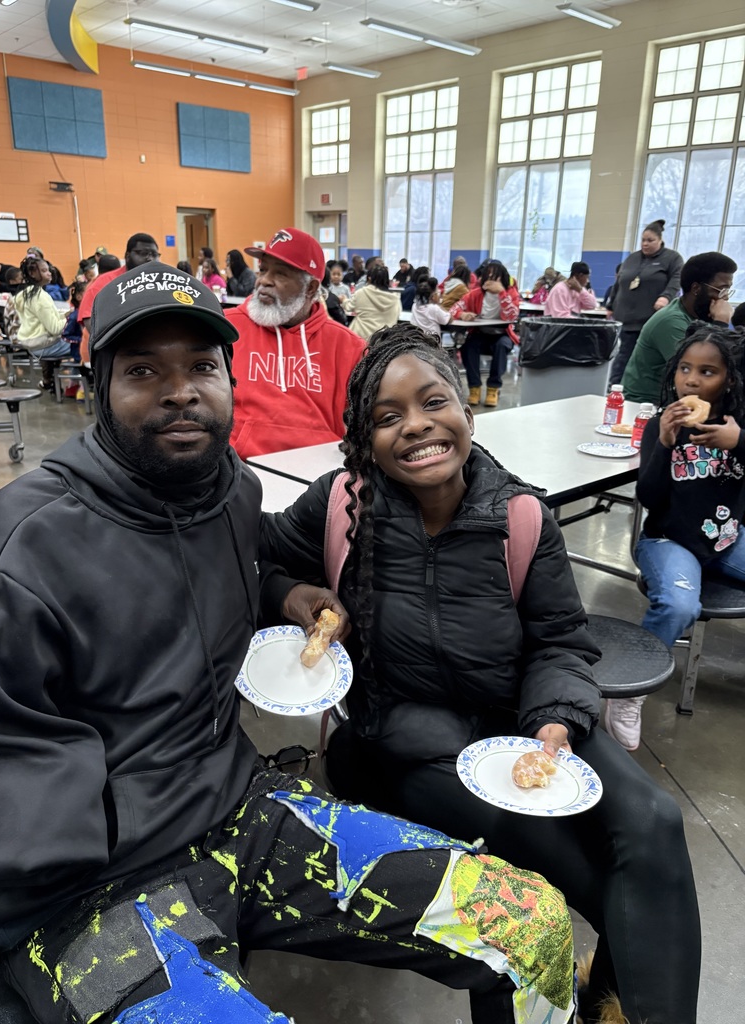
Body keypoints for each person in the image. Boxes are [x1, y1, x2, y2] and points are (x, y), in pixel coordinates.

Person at [0, 267, 576, 1024]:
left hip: (235, 806)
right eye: (142, 371)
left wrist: (285, 593)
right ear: (99, 389)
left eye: (201, 367)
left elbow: (216, 575)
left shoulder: (229, 488)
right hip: (83, 890)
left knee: (528, 922)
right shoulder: (22, 547)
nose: (180, 391)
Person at [260, 325, 702, 1024]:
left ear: (466, 408)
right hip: (413, 743)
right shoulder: (343, 504)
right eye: (386, 417)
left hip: (523, 718)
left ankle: (624, 1009)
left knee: (652, 822)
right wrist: (293, 595)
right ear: (363, 438)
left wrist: (555, 722)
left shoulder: (521, 515)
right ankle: (612, 999)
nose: (416, 428)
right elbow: (258, 557)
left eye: (433, 403)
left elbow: (560, 640)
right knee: (581, 873)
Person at [605, 326, 745, 751]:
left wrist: (738, 442)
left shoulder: (738, 426)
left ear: (730, 379)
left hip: (726, 537)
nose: (692, 380)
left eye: (707, 371)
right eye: (685, 369)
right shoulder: (662, 424)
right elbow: (648, 497)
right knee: (680, 604)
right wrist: (664, 444)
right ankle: (629, 695)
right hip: (669, 540)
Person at [224, 227, 365, 459]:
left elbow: (362, 427)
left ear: (310, 288)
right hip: (239, 471)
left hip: (318, 476)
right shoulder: (226, 329)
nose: (264, 281)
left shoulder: (350, 347)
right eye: (263, 270)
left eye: (280, 274)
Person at [622, 252, 737, 405]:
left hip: (672, 401)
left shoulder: (695, 316)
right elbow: (709, 364)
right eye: (721, 290)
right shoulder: (671, 321)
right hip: (644, 406)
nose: (725, 298)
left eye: (727, 291)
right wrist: (721, 322)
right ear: (696, 288)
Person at [606, 220, 684, 385]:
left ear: (660, 240)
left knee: (646, 359)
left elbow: (677, 279)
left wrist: (666, 296)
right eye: (643, 240)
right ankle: (614, 389)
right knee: (623, 356)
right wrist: (610, 306)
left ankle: (639, 389)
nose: (645, 244)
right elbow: (619, 282)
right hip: (627, 319)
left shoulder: (672, 258)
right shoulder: (632, 258)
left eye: (650, 240)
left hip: (651, 319)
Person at [76, 233, 160, 362]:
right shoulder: (105, 282)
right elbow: (90, 321)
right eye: (143, 253)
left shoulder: (161, 282)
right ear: (127, 256)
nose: (150, 259)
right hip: (108, 352)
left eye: (155, 255)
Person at [452, 260, 520, 407]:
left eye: (494, 277)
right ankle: (474, 388)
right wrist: (462, 314)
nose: (490, 280)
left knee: (501, 346)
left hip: (502, 335)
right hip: (480, 334)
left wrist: (501, 293)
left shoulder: (511, 294)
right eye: (487, 276)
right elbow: (454, 309)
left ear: (502, 278)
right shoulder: (475, 294)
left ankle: (493, 388)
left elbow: (512, 316)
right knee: (468, 347)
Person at [12, 255, 72, 389]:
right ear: (33, 273)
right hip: (45, 346)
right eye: (44, 271)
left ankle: (49, 380)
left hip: (32, 343)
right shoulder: (40, 297)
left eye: (48, 270)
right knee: (83, 344)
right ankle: (82, 385)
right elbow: (55, 329)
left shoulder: (25, 294)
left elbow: (42, 319)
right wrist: (69, 320)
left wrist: (64, 315)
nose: (49, 273)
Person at [347, 264, 402, 341]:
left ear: (369, 279)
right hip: (383, 341)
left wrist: (343, 301)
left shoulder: (361, 292)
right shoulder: (395, 299)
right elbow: (397, 315)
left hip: (360, 338)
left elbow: (348, 307)